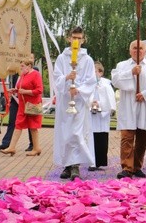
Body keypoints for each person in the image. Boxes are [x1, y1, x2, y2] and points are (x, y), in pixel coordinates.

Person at [53, 27, 96, 181]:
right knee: (65, 132)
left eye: (79, 38)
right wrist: (66, 79)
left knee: (76, 132)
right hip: (65, 101)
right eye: (74, 37)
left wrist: (78, 90)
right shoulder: (61, 58)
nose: (76, 41)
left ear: (83, 40)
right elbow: (56, 77)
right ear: (69, 39)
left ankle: (75, 165)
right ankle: (67, 164)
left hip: (79, 102)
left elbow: (91, 81)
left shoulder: (88, 60)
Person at [113, 40, 146, 179]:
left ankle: (137, 166)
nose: (137, 50)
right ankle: (127, 168)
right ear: (130, 50)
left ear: (145, 51)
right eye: (134, 48)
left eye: (140, 48)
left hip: (145, 106)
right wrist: (131, 72)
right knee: (127, 137)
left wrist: (145, 95)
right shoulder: (122, 65)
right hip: (128, 106)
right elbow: (115, 81)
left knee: (142, 138)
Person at [0, 59, 43, 156]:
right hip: (22, 105)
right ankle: (11, 147)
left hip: (32, 104)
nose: (21, 68)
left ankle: (36, 148)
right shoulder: (23, 75)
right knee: (18, 124)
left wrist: (25, 92)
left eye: (22, 66)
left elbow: (39, 90)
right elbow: (20, 88)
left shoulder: (36, 74)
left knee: (33, 126)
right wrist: (15, 90)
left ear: (29, 66)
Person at [88, 61, 116, 171]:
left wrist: (99, 104)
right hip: (91, 115)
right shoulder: (89, 84)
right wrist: (91, 103)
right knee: (91, 139)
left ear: (100, 72)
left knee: (101, 139)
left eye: (95, 71)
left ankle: (99, 161)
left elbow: (110, 100)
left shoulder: (106, 85)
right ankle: (91, 162)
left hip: (102, 117)